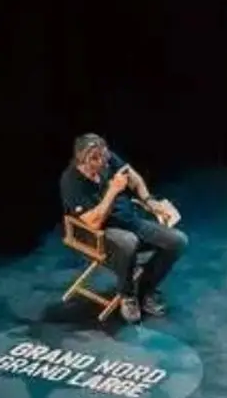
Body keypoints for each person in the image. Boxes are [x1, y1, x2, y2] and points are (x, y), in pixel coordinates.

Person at [59, 133, 188, 323]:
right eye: (95, 158)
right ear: (82, 159)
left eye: (104, 155)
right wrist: (112, 191)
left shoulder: (107, 158)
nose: (103, 161)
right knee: (128, 241)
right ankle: (127, 295)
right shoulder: (71, 181)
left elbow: (133, 177)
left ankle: (144, 290)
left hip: (131, 221)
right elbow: (92, 223)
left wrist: (149, 200)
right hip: (98, 234)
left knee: (177, 241)